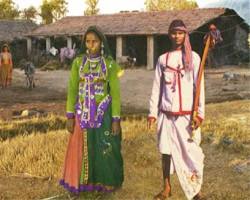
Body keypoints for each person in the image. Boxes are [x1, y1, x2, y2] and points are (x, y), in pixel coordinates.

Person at [60, 26, 124, 194]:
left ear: (101, 42)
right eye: (87, 41)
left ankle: (108, 181)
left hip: (104, 113)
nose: (90, 45)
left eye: (94, 41)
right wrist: (69, 115)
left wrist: (116, 119)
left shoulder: (110, 65)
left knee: (106, 147)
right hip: (82, 114)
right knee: (83, 149)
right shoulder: (78, 63)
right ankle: (83, 183)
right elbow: (72, 90)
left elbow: (116, 94)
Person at [148, 19, 205, 200]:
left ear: (185, 34)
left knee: (191, 153)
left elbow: (199, 88)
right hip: (166, 115)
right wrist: (152, 113)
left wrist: (200, 114)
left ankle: (196, 191)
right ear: (169, 34)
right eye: (174, 32)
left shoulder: (194, 58)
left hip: (187, 117)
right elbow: (157, 87)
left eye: (180, 33)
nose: (177, 36)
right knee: (166, 152)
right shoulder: (162, 59)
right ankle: (166, 188)